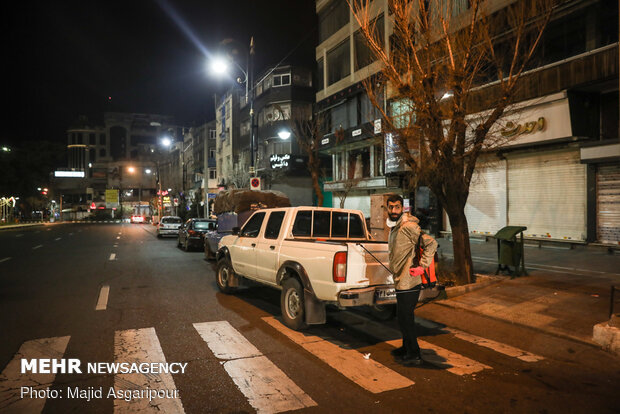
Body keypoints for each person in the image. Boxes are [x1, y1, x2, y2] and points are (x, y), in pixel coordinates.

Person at [386, 193, 438, 366]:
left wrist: (422, 266)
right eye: (391, 207)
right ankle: (406, 347)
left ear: (402, 208)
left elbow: (431, 244)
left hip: (410, 280)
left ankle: (414, 353)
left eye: (397, 207)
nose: (393, 210)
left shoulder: (408, 227)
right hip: (400, 279)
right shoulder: (395, 226)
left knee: (406, 318)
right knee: (402, 317)